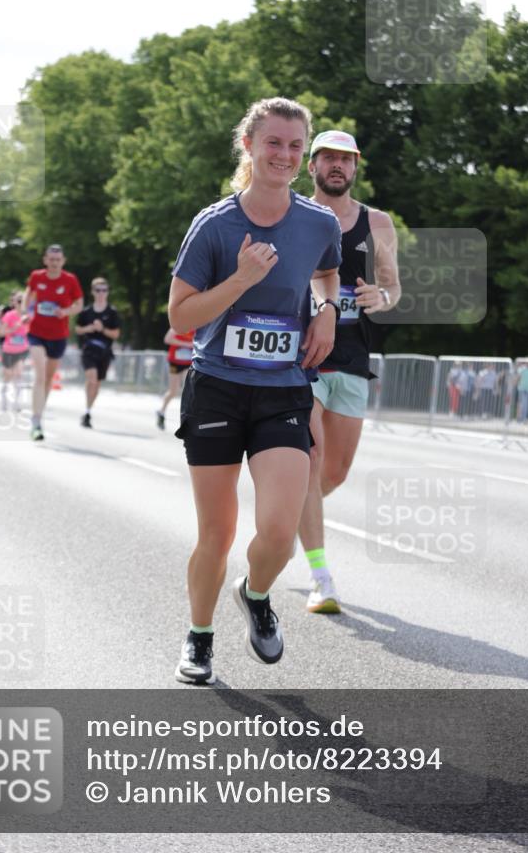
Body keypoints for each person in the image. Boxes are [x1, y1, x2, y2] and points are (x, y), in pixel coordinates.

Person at [169, 97, 341, 685]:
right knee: (216, 534)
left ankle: (256, 593)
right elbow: (181, 316)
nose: (284, 155)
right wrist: (242, 279)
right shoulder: (214, 225)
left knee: (279, 532)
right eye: (273, 143)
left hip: (283, 389)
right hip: (217, 387)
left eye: (295, 146)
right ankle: (199, 638)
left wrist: (327, 311)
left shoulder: (317, 222)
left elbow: (327, 273)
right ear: (249, 145)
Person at [297, 130, 401, 614]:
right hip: (303, 356)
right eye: (328, 158)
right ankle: (321, 577)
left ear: (356, 167)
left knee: (335, 472)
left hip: (354, 357)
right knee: (311, 459)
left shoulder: (377, 222)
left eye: (346, 159)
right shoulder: (293, 213)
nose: (337, 165)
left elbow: (393, 289)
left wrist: (382, 296)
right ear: (312, 165)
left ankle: (286, 515)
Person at [21, 244, 83, 441]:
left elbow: (79, 304)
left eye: (58, 260)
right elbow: (28, 294)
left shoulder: (70, 280)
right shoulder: (37, 276)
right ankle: (36, 420)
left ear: (63, 261)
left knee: (48, 379)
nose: (54, 263)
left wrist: (65, 312)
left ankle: (39, 412)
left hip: (58, 335)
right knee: (39, 375)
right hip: (36, 332)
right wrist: (25, 311)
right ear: (45, 260)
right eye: (51, 259)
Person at [75, 277, 121, 428]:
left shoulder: (112, 312)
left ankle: (88, 411)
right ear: (93, 292)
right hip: (88, 350)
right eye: (98, 290)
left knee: (97, 384)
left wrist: (103, 329)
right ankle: (87, 411)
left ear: (107, 292)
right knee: (92, 379)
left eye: (104, 290)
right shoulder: (86, 311)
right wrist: (88, 328)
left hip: (105, 352)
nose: (101, 293)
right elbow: (77, 329)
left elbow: (116, 334)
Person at [156, 327, 195, 430]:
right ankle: (161, 411)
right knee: (173, 391)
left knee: (189, 389)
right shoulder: (178, 325)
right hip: (175, 362)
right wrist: (187, 344)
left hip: (189, 362)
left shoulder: (197, 326)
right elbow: (167, 339)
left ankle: (187, 418)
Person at [0, 291, 29, 412]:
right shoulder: (9, 315)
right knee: (8, 375)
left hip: (22, 350)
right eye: (18, 301)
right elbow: (1, 332)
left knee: (18, 374)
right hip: (8, 349)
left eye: (23, 300)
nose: (21, 303)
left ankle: (16, 403)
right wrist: (14, 329)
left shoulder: (28, 317)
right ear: (14, 303)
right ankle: (4, 399)